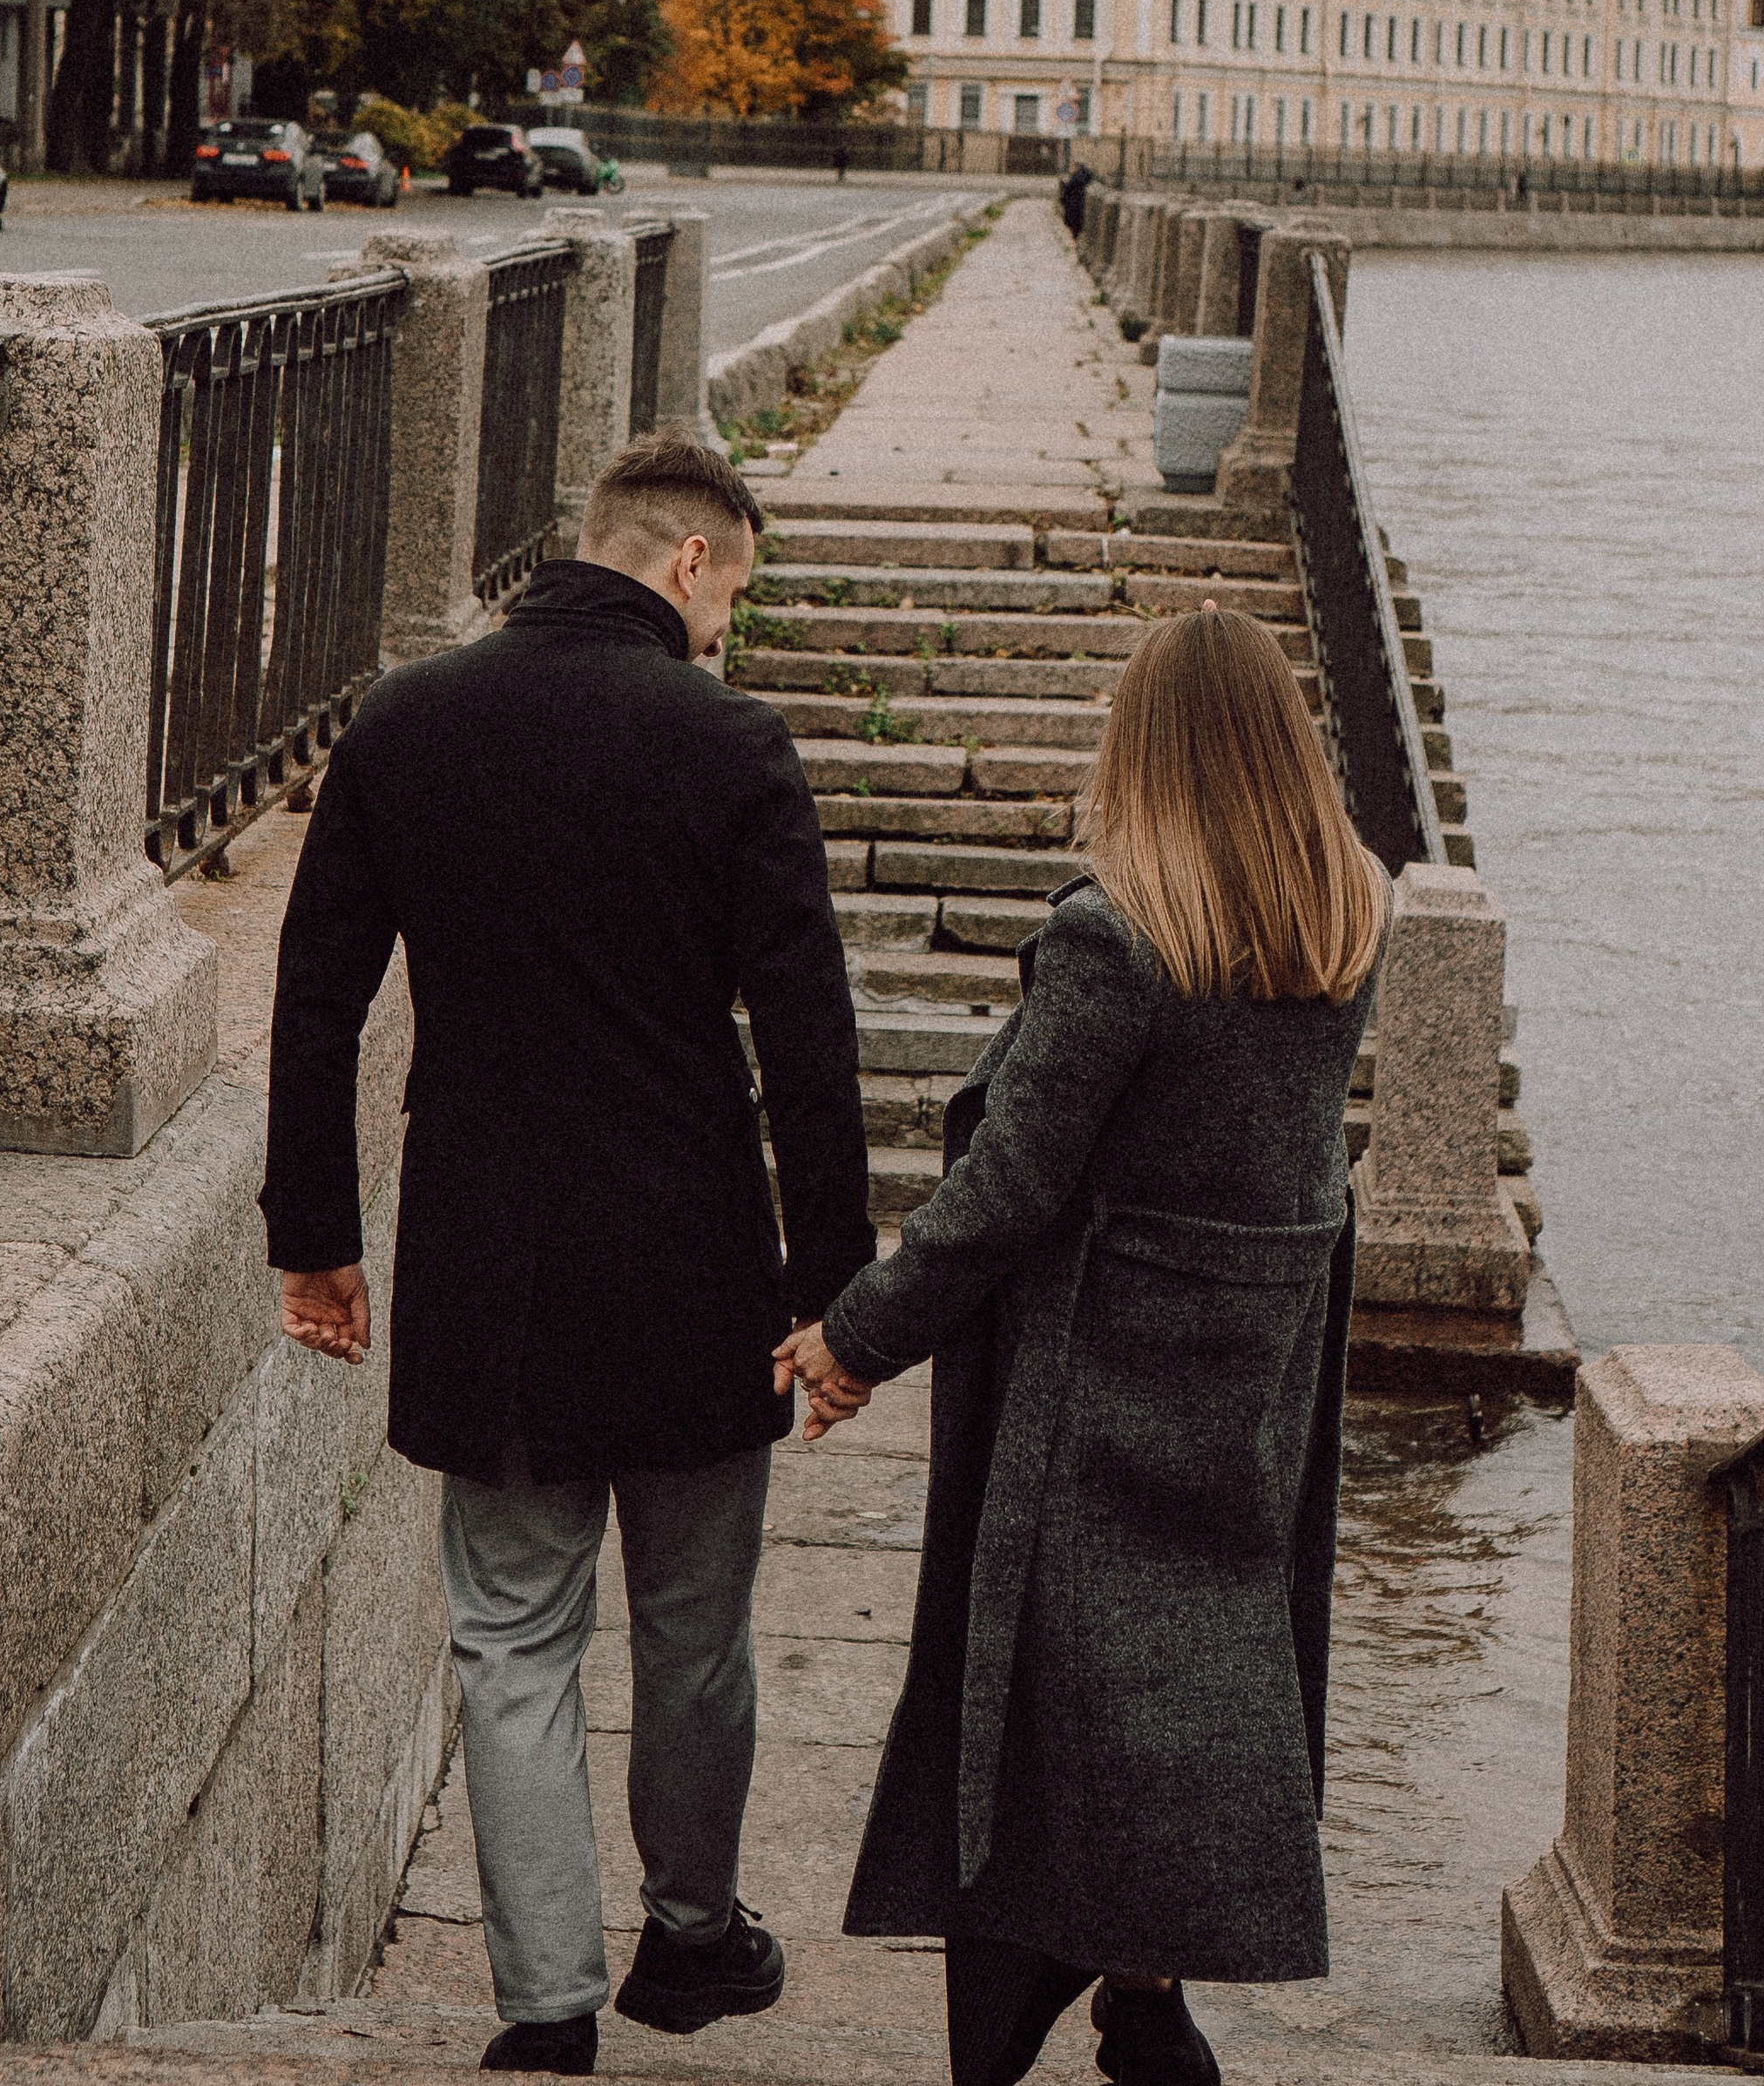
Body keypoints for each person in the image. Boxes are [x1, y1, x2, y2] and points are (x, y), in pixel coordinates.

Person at [260, 430, 875, 2078]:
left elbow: (317, 999)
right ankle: (691, 1946)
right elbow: (810, 1044)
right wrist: (838, 1293)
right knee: (696, 1630)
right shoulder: (733, 741)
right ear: (686, 565)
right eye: (731, 594)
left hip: (488, 1263)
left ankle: (542, 2010)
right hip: (691, 1267)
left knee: (511, 1631)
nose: (728, 627)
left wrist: (315, 1240)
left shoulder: (408, 720)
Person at [781, 606, 1389, 2086]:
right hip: (1249, 1375)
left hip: (1093, 1376)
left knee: (1031, 1701)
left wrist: (857, 1339)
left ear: (1145, 749)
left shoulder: (1115, 940)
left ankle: (1014, 2027)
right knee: (1199, 1678)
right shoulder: (1348, 913)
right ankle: (1150, 1993)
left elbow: (1007, 1192)